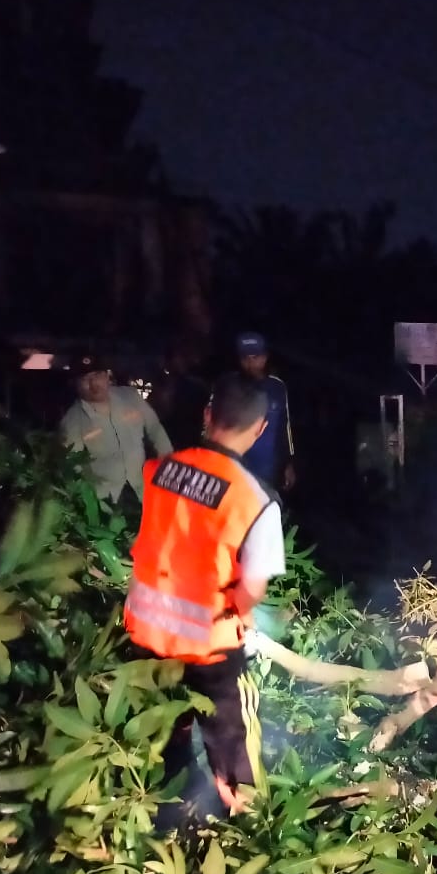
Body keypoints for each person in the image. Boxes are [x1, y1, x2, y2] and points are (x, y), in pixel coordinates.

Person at [126, 373, 285, 813]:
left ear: (207, 415)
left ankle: (165, 812)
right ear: (260, 429)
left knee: (162, 730)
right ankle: (243, 815)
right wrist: (242, 612)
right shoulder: (256, 501)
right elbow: (252, 588)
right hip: (209, 644)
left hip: (146, 635)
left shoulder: (161, 469)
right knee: (233, 738)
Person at [59, 352, 173, 505]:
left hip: (142, 490)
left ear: (107, 376)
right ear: (76, 383)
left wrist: (168, 464)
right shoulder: (72, 421)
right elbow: (73, 466)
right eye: (85, 379)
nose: (93, 384)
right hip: (106, 501)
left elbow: (155, 429)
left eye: (97, 375)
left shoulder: (131, 397)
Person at [234, 331, 296, 491]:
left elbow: (285, 427)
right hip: (237, 467)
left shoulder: (277, 387)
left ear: (264, 357)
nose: (250, 362)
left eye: (255, 357)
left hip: (268, 470)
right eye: (245, 358)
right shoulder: (230, 385)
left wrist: (289, 463)